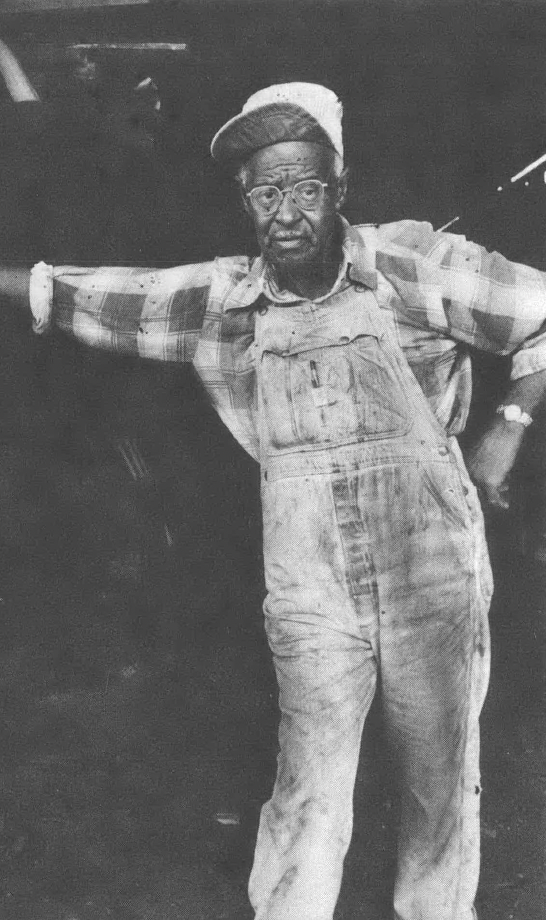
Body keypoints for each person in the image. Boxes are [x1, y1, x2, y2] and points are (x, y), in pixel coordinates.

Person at [2, 82, 546, 920]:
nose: (285, 213)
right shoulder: (229, 300)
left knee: (441, 788)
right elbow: (92, 293)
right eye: (265, 192)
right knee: (307, 795)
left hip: (432, 575)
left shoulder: (412, 265)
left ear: (339, 187)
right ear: (245, 203)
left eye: (303, 188)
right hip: (311, 591)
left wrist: (507, 427)